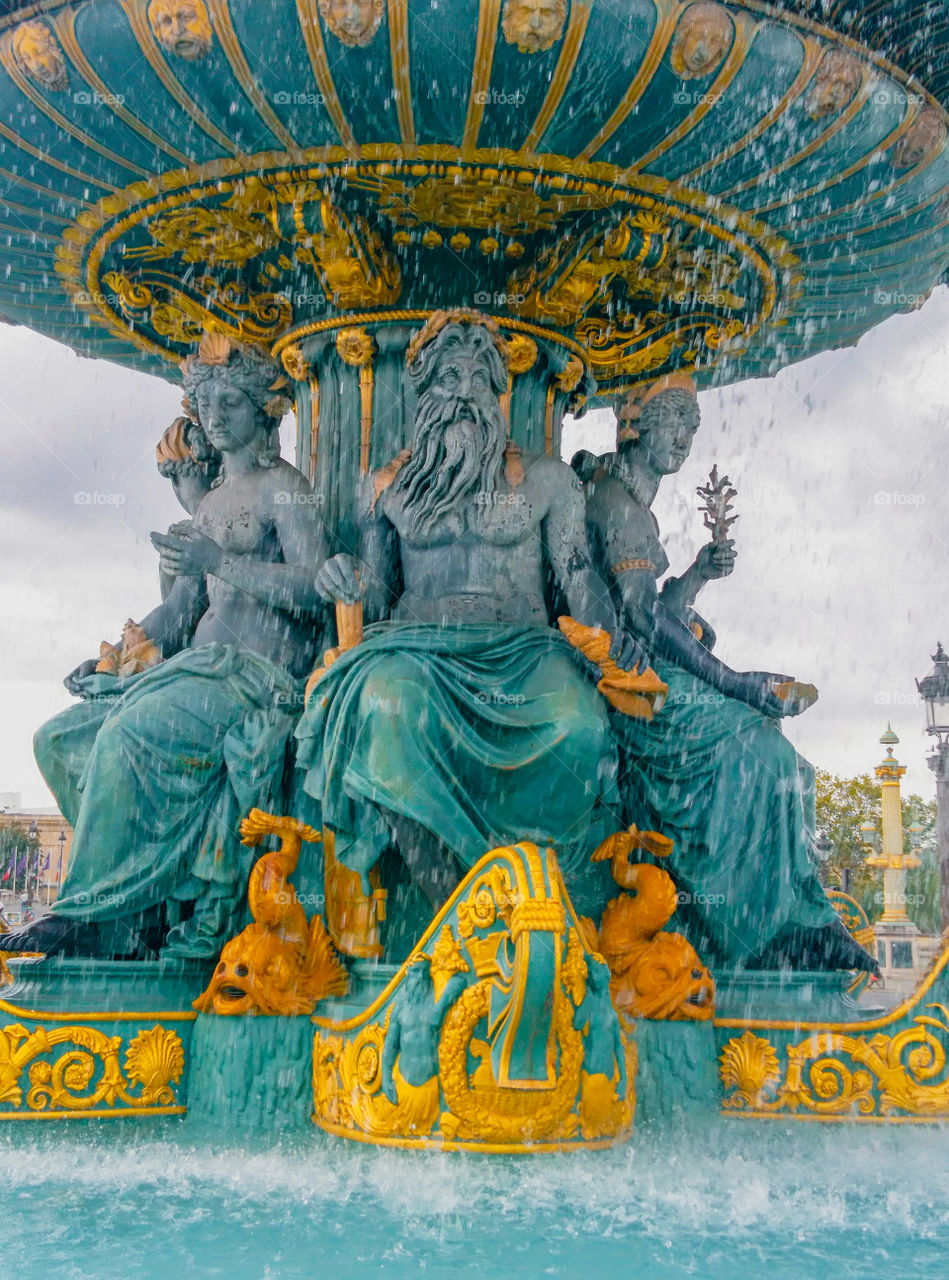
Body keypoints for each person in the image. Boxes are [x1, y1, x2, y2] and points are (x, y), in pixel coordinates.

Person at [297, 310, 643, 919]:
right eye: (446, 378)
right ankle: (455, 913)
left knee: (578, 725)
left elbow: (578, 574)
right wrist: (343, 576)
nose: (461, 393)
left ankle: (536, 900)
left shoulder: (548, 481)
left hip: (525, 653)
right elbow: (375, 591)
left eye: (476, 378)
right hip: (414, 651)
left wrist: (610, 637)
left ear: (499, 393)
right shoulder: (383, 488)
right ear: (422, 393)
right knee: (386, 708)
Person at [1, 336, 333, 960]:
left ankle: (94, 914)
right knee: (62, 738)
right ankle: (138, 909)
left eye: (231, 401)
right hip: (193, 673)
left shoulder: (285, 489)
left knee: (125, 738)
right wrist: (116, 658)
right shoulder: (211, 507)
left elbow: (316, 589)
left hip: (252, 678)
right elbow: (182, 609)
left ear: (264, 410)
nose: (215, 415)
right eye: (208, 402)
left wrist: (222, 564)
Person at [576, 373, 874, 971]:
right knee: (768, 758)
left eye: (693, 422)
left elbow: (654, 607)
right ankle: (760, 928)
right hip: (626, 685)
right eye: (675, 416)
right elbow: (637, 615)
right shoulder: (614, 500)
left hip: (643, 671)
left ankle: (788, 915)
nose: (686, 434)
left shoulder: (631, 499)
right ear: (638, 423)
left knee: (779, 761)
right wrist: (736, 683)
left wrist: (696, 575)